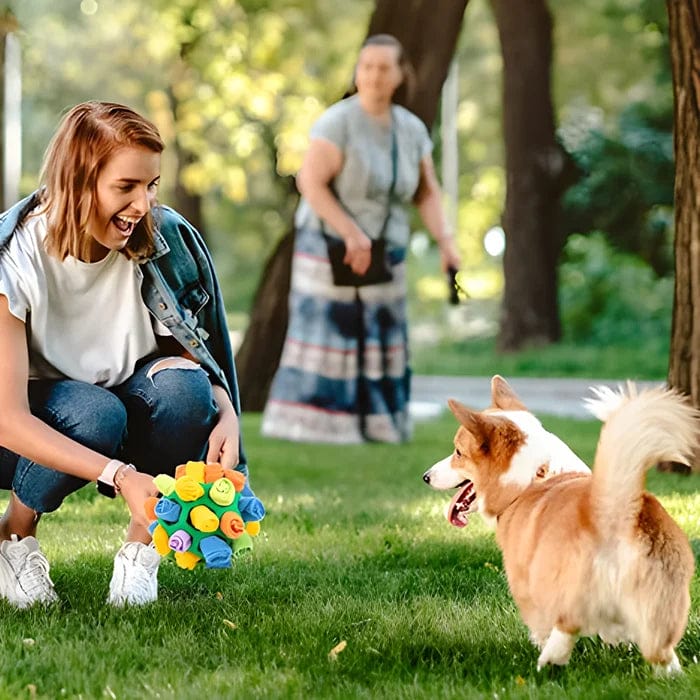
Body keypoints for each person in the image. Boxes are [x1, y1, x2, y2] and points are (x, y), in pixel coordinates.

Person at [0, 101, 259, 607]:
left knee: (185, 392)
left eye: (151, 185)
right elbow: (7, 419)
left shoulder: (161, 239)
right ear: (78, 181)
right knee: (96, 411)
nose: (143, 205)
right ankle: (13, 535)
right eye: (126, 187)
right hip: (37, 426)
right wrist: (119, 475)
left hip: (126, 404)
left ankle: (143, 546)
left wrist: (225, 412)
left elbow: (191, 358)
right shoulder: (16, 257)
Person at [261, 34, 461, 444]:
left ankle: (380, 427)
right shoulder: (338, 122)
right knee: (331, 336)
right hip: (329, 244)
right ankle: (318, 428)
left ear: (400, 74)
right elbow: (311, 183)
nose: (373, 75)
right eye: (366, 66)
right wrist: (352, 234)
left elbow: (426, 192)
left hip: (386, 248)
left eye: (383, 67)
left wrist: (446, 242)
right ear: (357, 72)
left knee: (382, 337)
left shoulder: (411, 130)